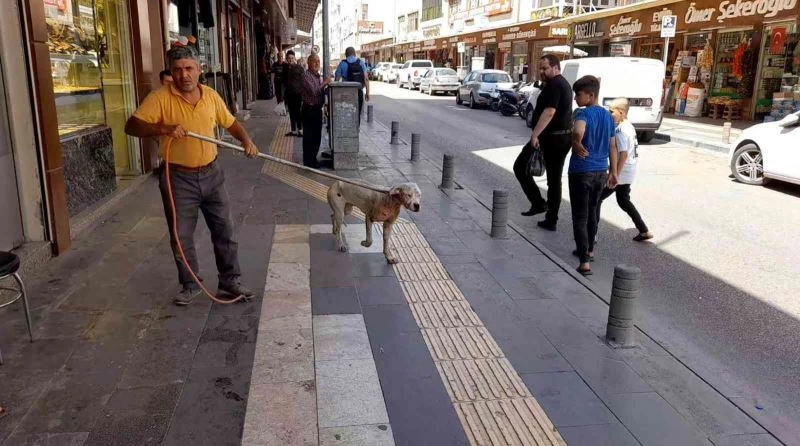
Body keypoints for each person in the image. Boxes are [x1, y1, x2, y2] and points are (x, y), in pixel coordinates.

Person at [124, 45, 258, 306]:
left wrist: (246, 140)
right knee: (181, 235)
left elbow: (230, 122)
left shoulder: (210, 96)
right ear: (170, 73)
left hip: (212, 173)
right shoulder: (160, 97)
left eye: (188, 68)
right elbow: (132, 125)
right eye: (177, 70)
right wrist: (162, 127)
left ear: (199, 70)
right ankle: (190, 284)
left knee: (224, 230)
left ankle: (230, 281)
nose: (184, 75)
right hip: (178, 178)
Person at [513, 54, 573, 230]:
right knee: (554, 180)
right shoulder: (560, 84)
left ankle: (541, 206)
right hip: (559, 137)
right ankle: (548, 215)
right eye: (540, 68)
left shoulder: (555, 84)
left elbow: (549, 112)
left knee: (521, 167)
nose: (542, 72)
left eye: (545, 68)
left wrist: (535, 135)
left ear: (555, 68)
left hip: (553, 138)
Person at [568, 75, 618, 276]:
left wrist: (577, 141)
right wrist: (613, 172)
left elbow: (578, 132)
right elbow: (613, 145)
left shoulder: (583, 113)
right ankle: (590, 249)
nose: (575, 99)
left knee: (580, 217)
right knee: (592, 212)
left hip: (581, 171)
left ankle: (584, 262)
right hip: (600, 172)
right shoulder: (608, 116)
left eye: (578, 95)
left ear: (591, 95)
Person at [596, 98, 652, 243]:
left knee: (596, 199)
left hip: (621, 172)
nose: (609, 114)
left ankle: (592, 234)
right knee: (623, 201)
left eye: (611, 111)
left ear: (621, 112)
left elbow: (623, 154)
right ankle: (643, 230)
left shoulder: (620, 130)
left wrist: (614, 174)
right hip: (629, 171)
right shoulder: (629, 126)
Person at [300, 53, 332, 168]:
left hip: (317, 109)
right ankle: (309, 162)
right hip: (309, 110)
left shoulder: (317, 76)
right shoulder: (306, 76)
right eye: (314, 61)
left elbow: (320, 92)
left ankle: (313, 159)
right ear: (308, 63)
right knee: (309, 137)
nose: (317, 63)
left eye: (318, 61)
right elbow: (314, 92)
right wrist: (325, 83)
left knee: (316, 136)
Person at [335, 47, 370, 124]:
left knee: (347, 113)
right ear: (354, 53)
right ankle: (356, 130)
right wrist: (367, 93)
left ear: (346, 55)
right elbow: (366, 79)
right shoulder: (361, 63)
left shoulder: (342, 64)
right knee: (357, 114)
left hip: (346, 94)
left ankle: (347, 130)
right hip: (358, 93)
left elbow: (336, 80)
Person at [283, 50, 304, 136]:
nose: (290, 60)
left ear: (294, 58)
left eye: (292, 58)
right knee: (291, 112)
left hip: (298, 94)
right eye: (289, 58)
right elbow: (283, 82)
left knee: (298, 112)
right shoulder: (285, 68)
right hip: (289, 94)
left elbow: (303, 81)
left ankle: (300, 130)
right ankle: (293, 130)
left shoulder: (299, 68)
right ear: (287, 59)